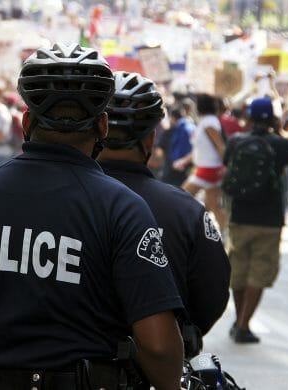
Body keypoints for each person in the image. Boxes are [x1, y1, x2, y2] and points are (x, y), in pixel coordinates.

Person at [0, 43, 185, 390]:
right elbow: (158, 345)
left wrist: (11, 344)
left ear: (27, 122)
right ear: (103, 127)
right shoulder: (124, 208)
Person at [99, 71, 231, 342]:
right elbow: (213, 293)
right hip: (159, 364)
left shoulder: (52, 198)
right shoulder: (185, 211)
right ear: (150, 141)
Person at [224, 97, 288, 343]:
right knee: (259, 273)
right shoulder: (280, 144)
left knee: (238, 271)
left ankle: (239, 321)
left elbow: (227, 163)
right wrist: (281, 131)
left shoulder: (237, 141)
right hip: (269, 219)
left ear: (248, 117)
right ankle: (243, 324)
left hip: (238, 215)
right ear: (273, 117)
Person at [182, 93, 227, 236]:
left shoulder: (208, 122)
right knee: (213, 204)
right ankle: (225, 235)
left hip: (209, 169)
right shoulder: (208, 121)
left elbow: (220, 146)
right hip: (208, 168)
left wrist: (225, 166)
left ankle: (186, 231)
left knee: (181, 197)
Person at [155, 105, 195, 187]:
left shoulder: (168, 132)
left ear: (172, 118)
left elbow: (159, 153)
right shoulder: (191, 129)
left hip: (169, 171)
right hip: (185, 171)